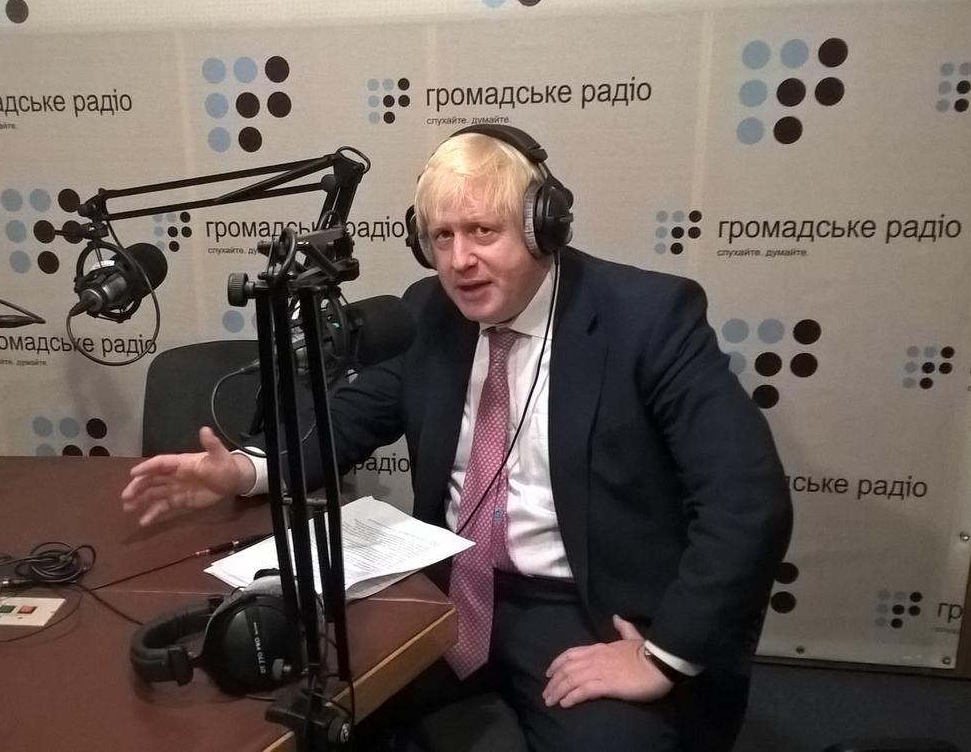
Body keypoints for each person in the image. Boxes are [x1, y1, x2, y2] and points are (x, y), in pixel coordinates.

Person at [120, 125, 792, 751]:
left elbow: (747, 499)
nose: (460, 260)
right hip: (446, 589)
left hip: (581, 608)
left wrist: (662, 654)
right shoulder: (430, 313)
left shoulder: (647, 318)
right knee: (313, 711)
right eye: (442, 237)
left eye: (482, 231)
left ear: (542, 226)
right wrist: (245, 471)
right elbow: (349, 419)